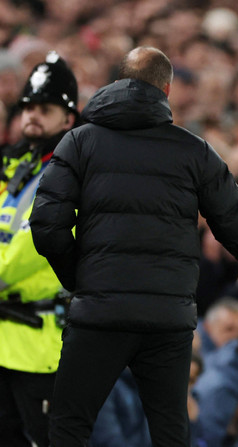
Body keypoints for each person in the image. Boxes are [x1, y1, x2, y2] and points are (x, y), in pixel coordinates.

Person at [29, 46, 238, 447]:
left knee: (70, 424)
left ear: (116, 80)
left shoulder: (78, 143)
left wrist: (82, 279)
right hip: (167, 318)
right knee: (170, 429)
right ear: (167, 89)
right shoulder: (195, 151)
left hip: (98, 314)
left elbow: (47, 228)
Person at [0, 51, 78, 447]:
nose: (32, 115)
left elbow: (31, 247)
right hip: (4, 337)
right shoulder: (12, 168)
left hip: (42, 341)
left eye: (45, 108)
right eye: (28, 107)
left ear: (68, 118)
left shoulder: (72, 174)